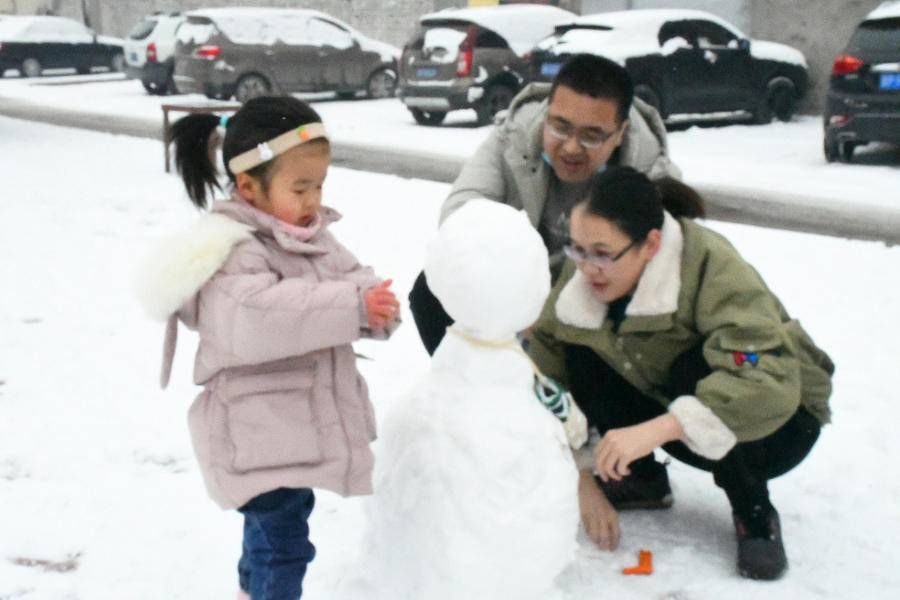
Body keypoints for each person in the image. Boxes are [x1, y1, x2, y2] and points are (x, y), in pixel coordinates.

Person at [135, 96, 400, 600]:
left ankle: (247, 591)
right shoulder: (233, 247)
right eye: (300, 187)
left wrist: (376, 307)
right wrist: (353, 306)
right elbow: (258, 317)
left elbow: (351, 279)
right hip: (258, 429)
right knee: (284, 547)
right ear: (249, 187)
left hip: (291, 430)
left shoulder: (309, 235)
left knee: (272, 529)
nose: (313, 200)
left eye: (320, 185)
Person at [527, 166, 834, 581]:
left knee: (695, 365)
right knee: (579, 348)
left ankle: (753, 509)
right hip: (671, 404)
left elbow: (767, 379)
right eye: (577, 249)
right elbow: (546, 364)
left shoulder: (711, 266)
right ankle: (641, 480)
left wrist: (659, 429)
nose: (586, 266)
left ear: (651, 245)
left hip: (780, 423)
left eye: (601, 253)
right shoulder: (586, 266)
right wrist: (581, 473)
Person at [409, 53, 681, 355]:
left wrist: (548, 308)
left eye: (591, 135)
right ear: (547, 112)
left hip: (594, 296)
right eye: (560, 127)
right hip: (516, 280)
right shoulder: (514, 136)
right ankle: (472, 389)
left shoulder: (653, 180)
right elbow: (461, 212)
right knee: (430, 290)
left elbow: (658, 274)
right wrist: (514, 290)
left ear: (620, 133)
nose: (571, 147)